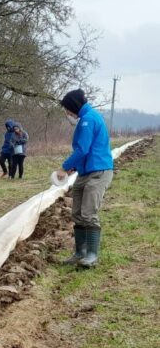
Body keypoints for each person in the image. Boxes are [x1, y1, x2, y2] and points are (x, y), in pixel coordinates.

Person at [56, 88, 113, 268]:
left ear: (73, 106)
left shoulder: (89, 119)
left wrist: (64, 168)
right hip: (85, 171)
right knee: (77, 213)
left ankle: (92, 255)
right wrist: (75, 167)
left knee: (88, 213)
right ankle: (79, 252)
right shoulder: (85, 119)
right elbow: (83, 152)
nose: (67, 113)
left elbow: (83, 149)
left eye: (67, 109)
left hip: (98, 171)